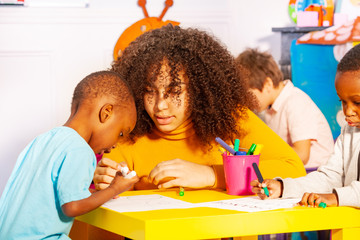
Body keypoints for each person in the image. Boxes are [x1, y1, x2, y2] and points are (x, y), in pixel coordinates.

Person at [93, 24, 306, 193]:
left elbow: (294, 168)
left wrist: (212, 175)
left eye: (175, 91)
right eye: (149, 91)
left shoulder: (231, 119)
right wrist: (104, 180)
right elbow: (109, 188)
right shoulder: (131, 130)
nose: (160, 105)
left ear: (199, 89)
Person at [0, 71, 139, 239]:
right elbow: (72, 206)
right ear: (106, 113)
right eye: (121, 133)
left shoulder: (42, 140)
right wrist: (115, 188)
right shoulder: (80, 150)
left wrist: (102, 193)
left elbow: (61, 194)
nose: (115, 145)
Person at [251, 43, 360, 208]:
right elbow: (330, 176)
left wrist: (336, 198)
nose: (348, 111)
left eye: (357, 102)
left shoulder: (295, 102)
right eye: (342, 101)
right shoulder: (349, 132)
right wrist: (283, 187)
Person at [235, 48, 334, 169]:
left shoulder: (295, 102)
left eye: (248, 94)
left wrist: (261, 157)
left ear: (267, 84)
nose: (246, 101)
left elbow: (302, 155)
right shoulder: (270, 108)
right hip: (295, 167)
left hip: (315, 171)